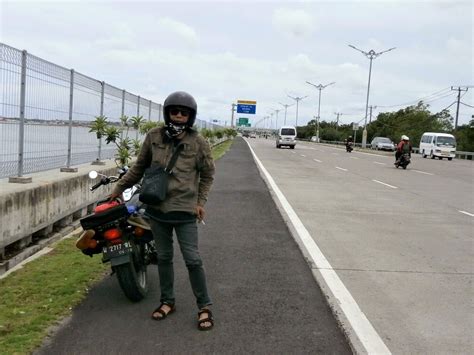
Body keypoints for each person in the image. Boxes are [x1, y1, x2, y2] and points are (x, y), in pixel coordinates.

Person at [110, 91, 216, 331]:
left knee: (193, 260)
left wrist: (200, 202)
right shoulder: (154, 136)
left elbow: (208, 174)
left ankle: (204, 306)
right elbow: (138, 167)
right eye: (174, 111)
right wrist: (118, 189)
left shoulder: (198, 142)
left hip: (185, 211)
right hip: (157, 210)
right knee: (164, 258)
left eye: (184, 112)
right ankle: (168, 301)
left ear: (190, 116)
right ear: (167, 112)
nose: (178, 116)